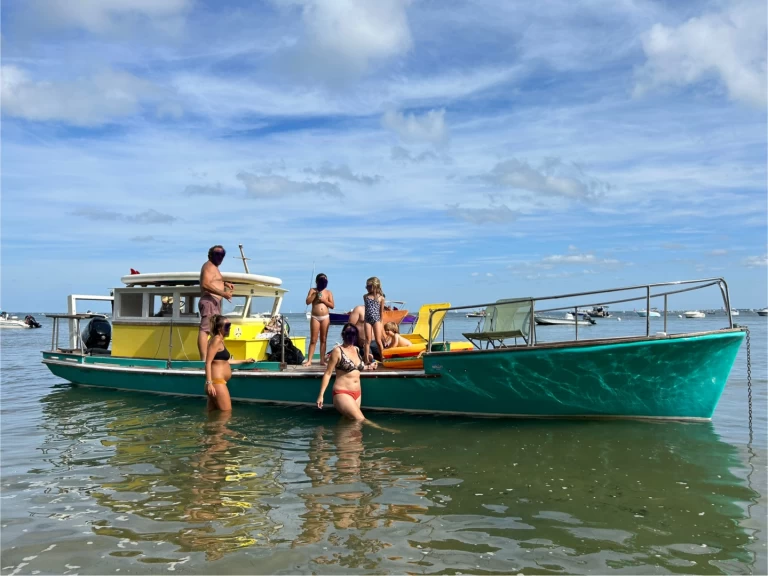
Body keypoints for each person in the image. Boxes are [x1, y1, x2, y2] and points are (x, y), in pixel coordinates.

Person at [316, 324, 376, 422]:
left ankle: (340, 435)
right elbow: (328, 373)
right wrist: (321, 395)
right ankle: (383, 429)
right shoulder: (337, 351)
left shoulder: (356, 349)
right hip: (342, 393)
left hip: (357, 393)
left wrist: (369, 366)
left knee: (351, 425)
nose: (351, 336)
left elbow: (356, 368)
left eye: (353, 333)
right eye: (348, 333)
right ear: (343, 335)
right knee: (360, 419)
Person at [204, 315, 255, 412]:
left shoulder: (220, 340)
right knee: (226, 414)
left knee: (212, 416)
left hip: (216, 383)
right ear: (219, 328)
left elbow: (224, 361)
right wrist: (209, 383)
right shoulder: (217, 340)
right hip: (216, 383)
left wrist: (244, 360)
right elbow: (208, 362)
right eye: (227, 326)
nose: (230, 328)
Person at [198, 245, 234, 361]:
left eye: (222, 254)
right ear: (210, 255)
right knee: (205, 330)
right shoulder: (208, 266)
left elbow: (215, 280)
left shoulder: (213, 267)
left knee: (214, 329)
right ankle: (204, 359)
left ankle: (212, 355)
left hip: (214, 302)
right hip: (209, 301)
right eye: (217, 254)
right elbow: (205, 284)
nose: (220, 257)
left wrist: (226, 283)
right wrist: (223, 294)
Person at [303, 273, 335, 366]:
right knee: (313, 339)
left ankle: (322, 360)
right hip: (315, 317)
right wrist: (315, 295)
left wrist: (324, 300)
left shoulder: (328, 292)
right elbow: (307, 302)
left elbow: (332, 306)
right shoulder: (312, 290)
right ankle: (309, 360)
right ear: (317, 282)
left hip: (325, 317)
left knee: (323, 339)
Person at [363, 277, 385, 366]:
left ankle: (383, 358)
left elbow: (381, 312)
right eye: (366, 286)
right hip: (367, 319)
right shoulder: (365, 297)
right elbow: (367, 309)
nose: (367, 288)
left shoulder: (381, 298)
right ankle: (366, 359)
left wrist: (381, 323)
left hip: (377, 320)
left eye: (369, 286)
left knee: (378, 340)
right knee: (367, 340)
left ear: (375, 286)